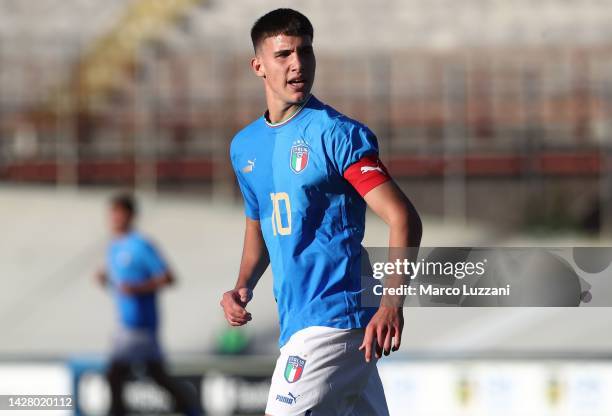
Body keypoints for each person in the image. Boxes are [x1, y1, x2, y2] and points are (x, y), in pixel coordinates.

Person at [220, 8, 422, 416]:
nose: (298, 64)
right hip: (298, 317)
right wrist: (242, 284)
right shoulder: (245, 147)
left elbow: (403, 218)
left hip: (336, 317)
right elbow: (260, 224)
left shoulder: (337, 134)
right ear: (258, 65)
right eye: (284, 55)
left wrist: (391, 304)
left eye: (306, 52)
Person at [96, 193, 198, 416]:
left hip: (140, 324)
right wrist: (105, 280)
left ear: (130, 215)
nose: (114, 218)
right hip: (127, 322)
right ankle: (189, 406)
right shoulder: (113, 247)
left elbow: (169, 277)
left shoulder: (141, 245)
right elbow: (120, 284)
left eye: (118, 213)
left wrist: (138, 288)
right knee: (155, 374)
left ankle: (187, 406)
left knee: (115, 375)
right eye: (112, 213)